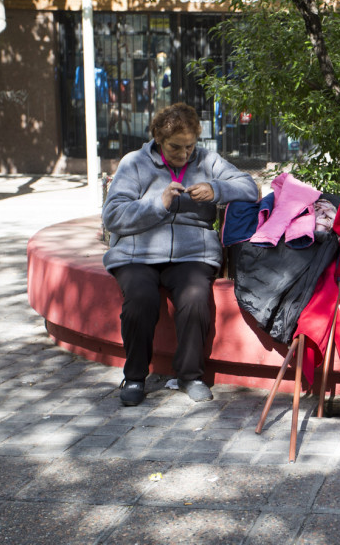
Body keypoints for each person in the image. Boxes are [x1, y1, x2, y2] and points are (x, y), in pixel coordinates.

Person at [102, 103, 259, 405]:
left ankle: (190, 375)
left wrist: (216, 189)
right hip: (139, 251)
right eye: (176, 147)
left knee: (195, 297)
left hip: (192, 252)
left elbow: (248, 187)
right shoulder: (134, 163)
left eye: (190, 146)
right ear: (159, 139)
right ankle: (135, 377)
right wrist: (158, 203)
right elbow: (113, 215)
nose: (185, 154)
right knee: (140, 299)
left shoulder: (207, 160)